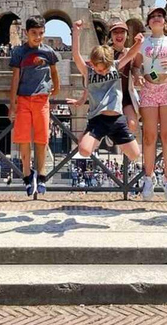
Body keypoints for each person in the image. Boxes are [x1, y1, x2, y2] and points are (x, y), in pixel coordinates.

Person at [71, 19, 144, 167]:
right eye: (99, 69)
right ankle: (97, 137)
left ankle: (111, 137)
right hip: (98, 119)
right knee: (84, 151)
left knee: (135, 154)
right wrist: (76, 33)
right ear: (92, 64)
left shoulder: (115, 67)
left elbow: (130, 55)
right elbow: (76, 56)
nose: (103, 72)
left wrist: (139, 43)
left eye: (105, 68)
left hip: (117, 119)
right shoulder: (88, 71)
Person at [132, 6, 167, 202]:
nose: (156, 19)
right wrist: (137, 76)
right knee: (148, 136)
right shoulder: (143, 43)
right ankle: (148, 177)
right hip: (149, 89)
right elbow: (136, 66)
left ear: (165, 22)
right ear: (148, 22)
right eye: (153, 17)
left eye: (160, 16)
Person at [9, 15, 60, 197]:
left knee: (42, 139)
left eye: (40, 33)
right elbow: (15, 78)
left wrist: (56, 89)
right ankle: (27, 174)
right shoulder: (18, 52)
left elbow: (54, 72)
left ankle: (42, 176)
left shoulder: (48, 52)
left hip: (41, 99)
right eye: (34, 33)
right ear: (26, 33)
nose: (37, 37)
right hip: (23, 98)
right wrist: (12, 104)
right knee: (23, 139)